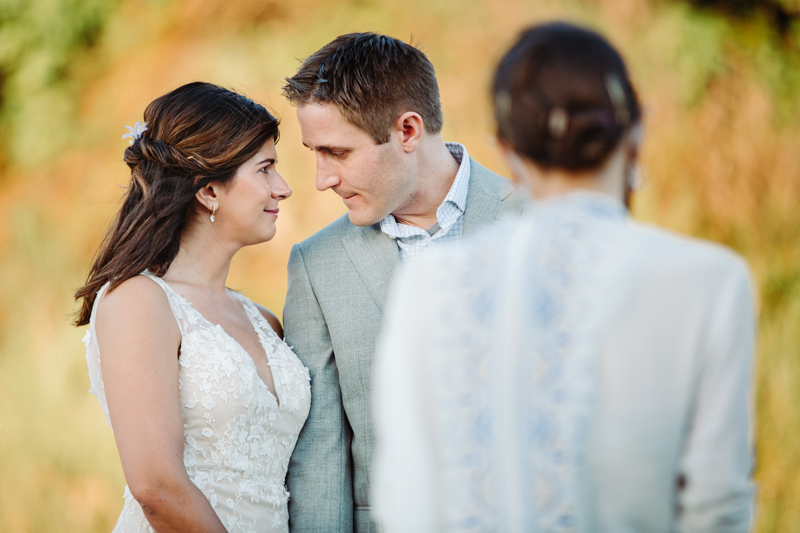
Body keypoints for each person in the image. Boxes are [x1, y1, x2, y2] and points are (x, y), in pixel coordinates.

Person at [372, 22, 756, 532]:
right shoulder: (712, 281)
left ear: (506, 149)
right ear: (636, 130)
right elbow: (717, 507)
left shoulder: (429, 281)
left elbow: (406, 502)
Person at [281, 32, 523, 532]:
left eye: (337, 152)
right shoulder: (316, 265)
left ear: (408, 131)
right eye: (314, 153)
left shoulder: (537, 223)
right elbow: (321, 458)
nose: (322, 178)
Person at [74, 82, 310, 532]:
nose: (283, 188)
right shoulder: (138, 302)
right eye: (265, 170)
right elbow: (157, 488)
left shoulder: (265, 322)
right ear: (208, 192)